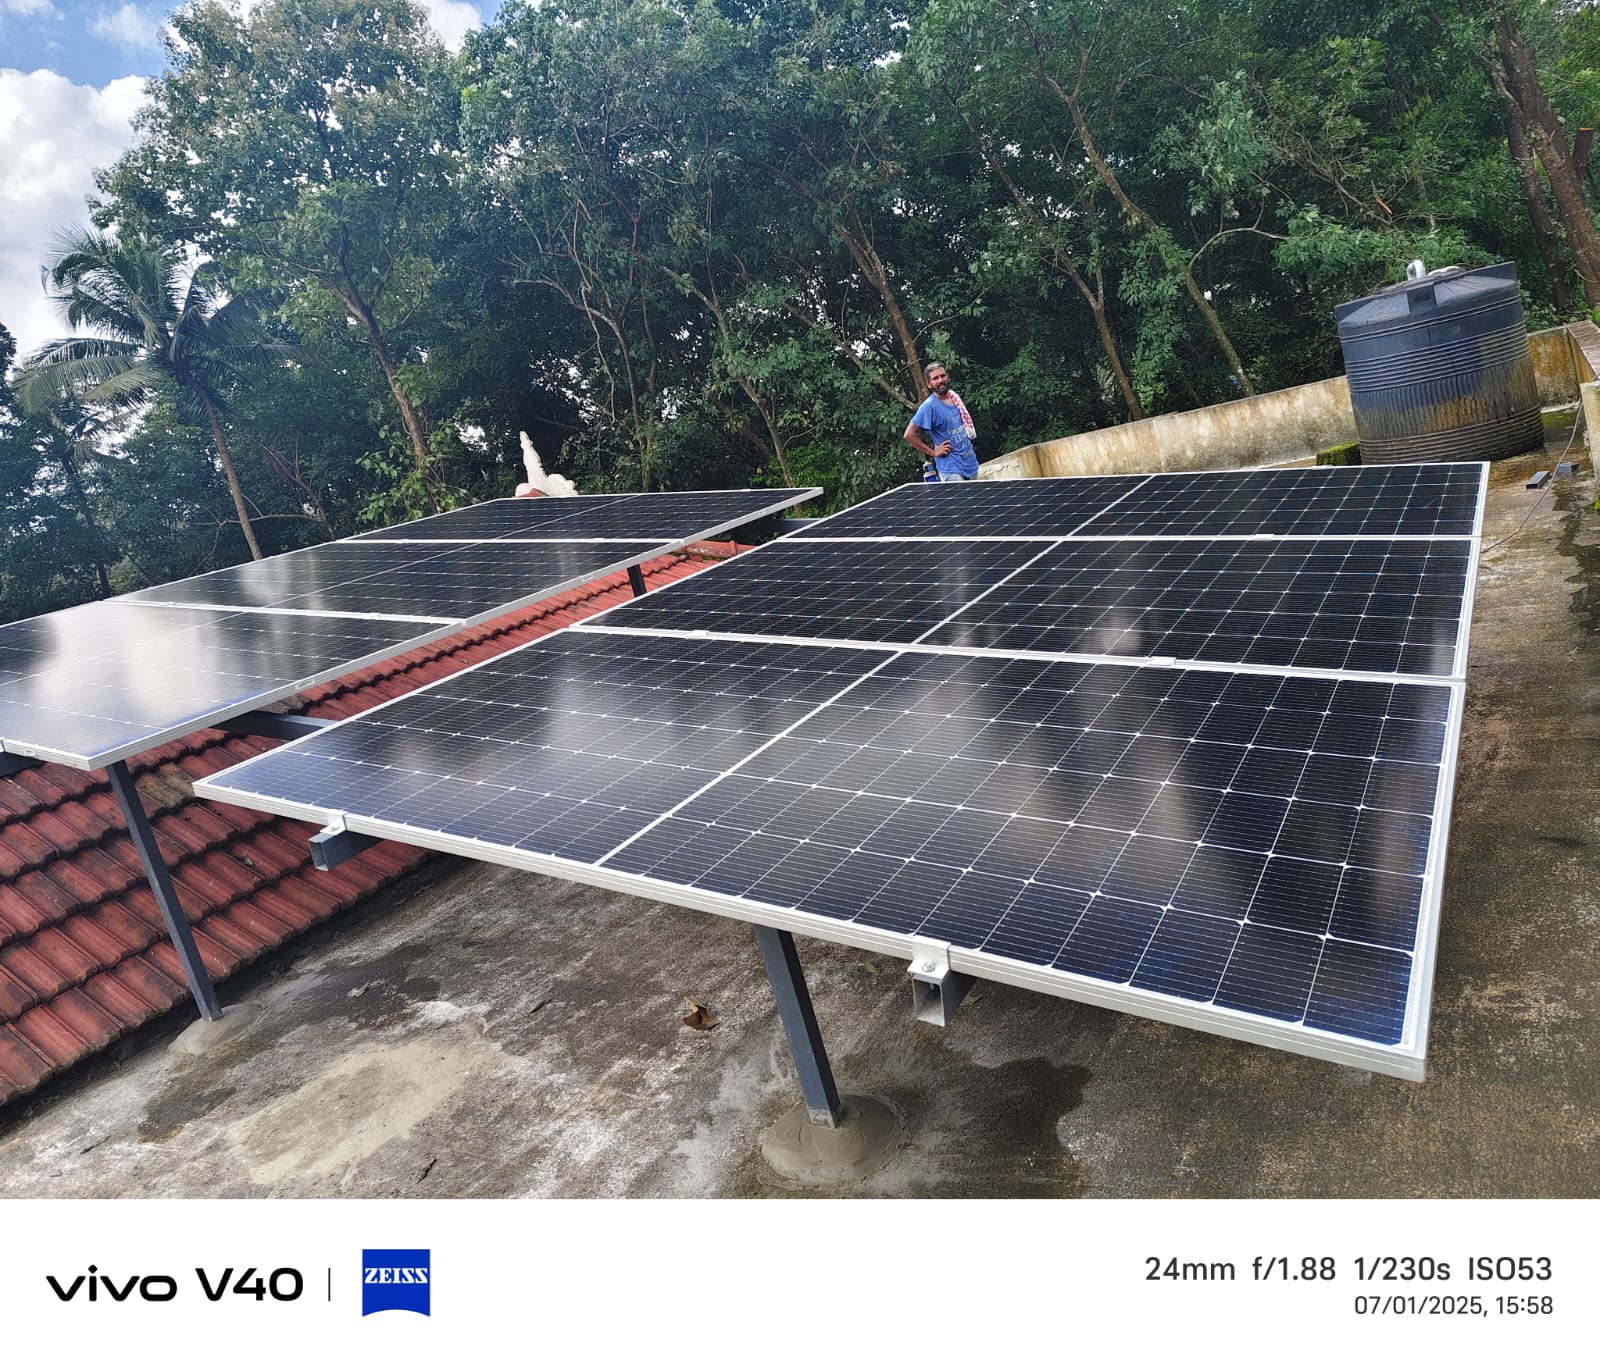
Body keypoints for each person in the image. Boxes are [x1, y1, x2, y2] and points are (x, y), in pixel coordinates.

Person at [903, 362, 979, 482]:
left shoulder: (955, 398)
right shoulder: (929, 407)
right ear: (929, 384)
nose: (940, 380)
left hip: (971, 464)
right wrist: (933, 452)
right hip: (951, 469)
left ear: (947, 377)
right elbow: (909, 434)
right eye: (935, 378)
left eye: (942, 376)